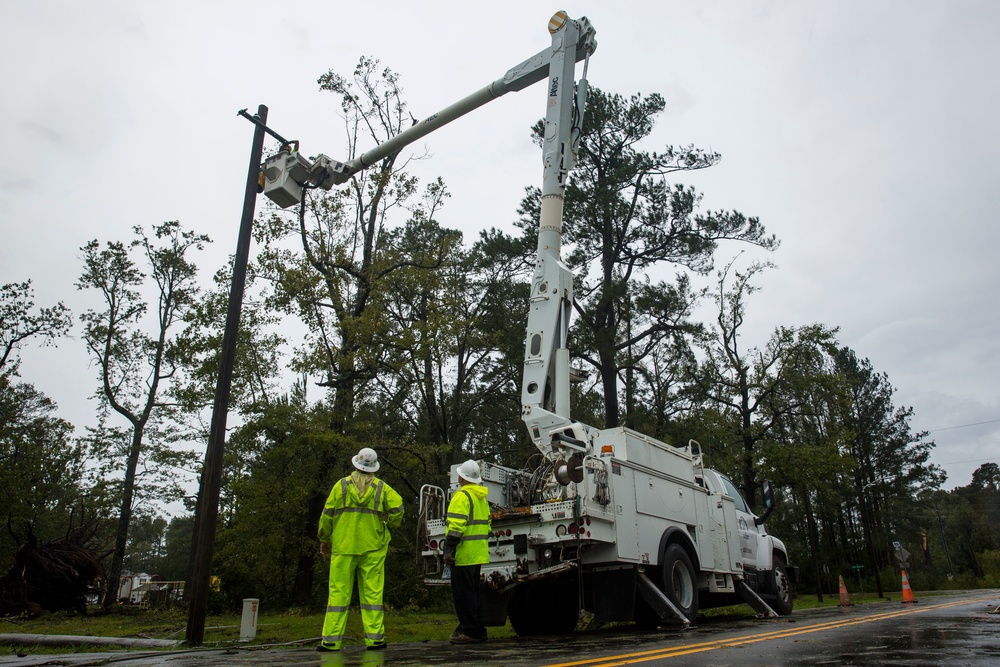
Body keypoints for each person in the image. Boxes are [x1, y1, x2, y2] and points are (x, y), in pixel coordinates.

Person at [317, 447, 404, 652]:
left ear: (355, 463)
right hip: (373, 548)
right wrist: (388, 527)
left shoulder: (341, 486)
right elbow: (398, 509)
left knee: (338, 594)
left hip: (343, 547)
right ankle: (375, 640)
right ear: (374, 468)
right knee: (373, 595)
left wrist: (324, 540)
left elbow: (326, 517)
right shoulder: (382, 488)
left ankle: (330, 641)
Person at [443, 459, 491, 644]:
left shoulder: (462, 496)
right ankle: (478, 629)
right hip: (477, 554)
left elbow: (455, 526)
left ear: (461, 478)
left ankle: (469, 631)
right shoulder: (482, 498)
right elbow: (487, 526)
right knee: (474, 593)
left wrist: (450, 548)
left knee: (463, 595)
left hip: (463, 554)